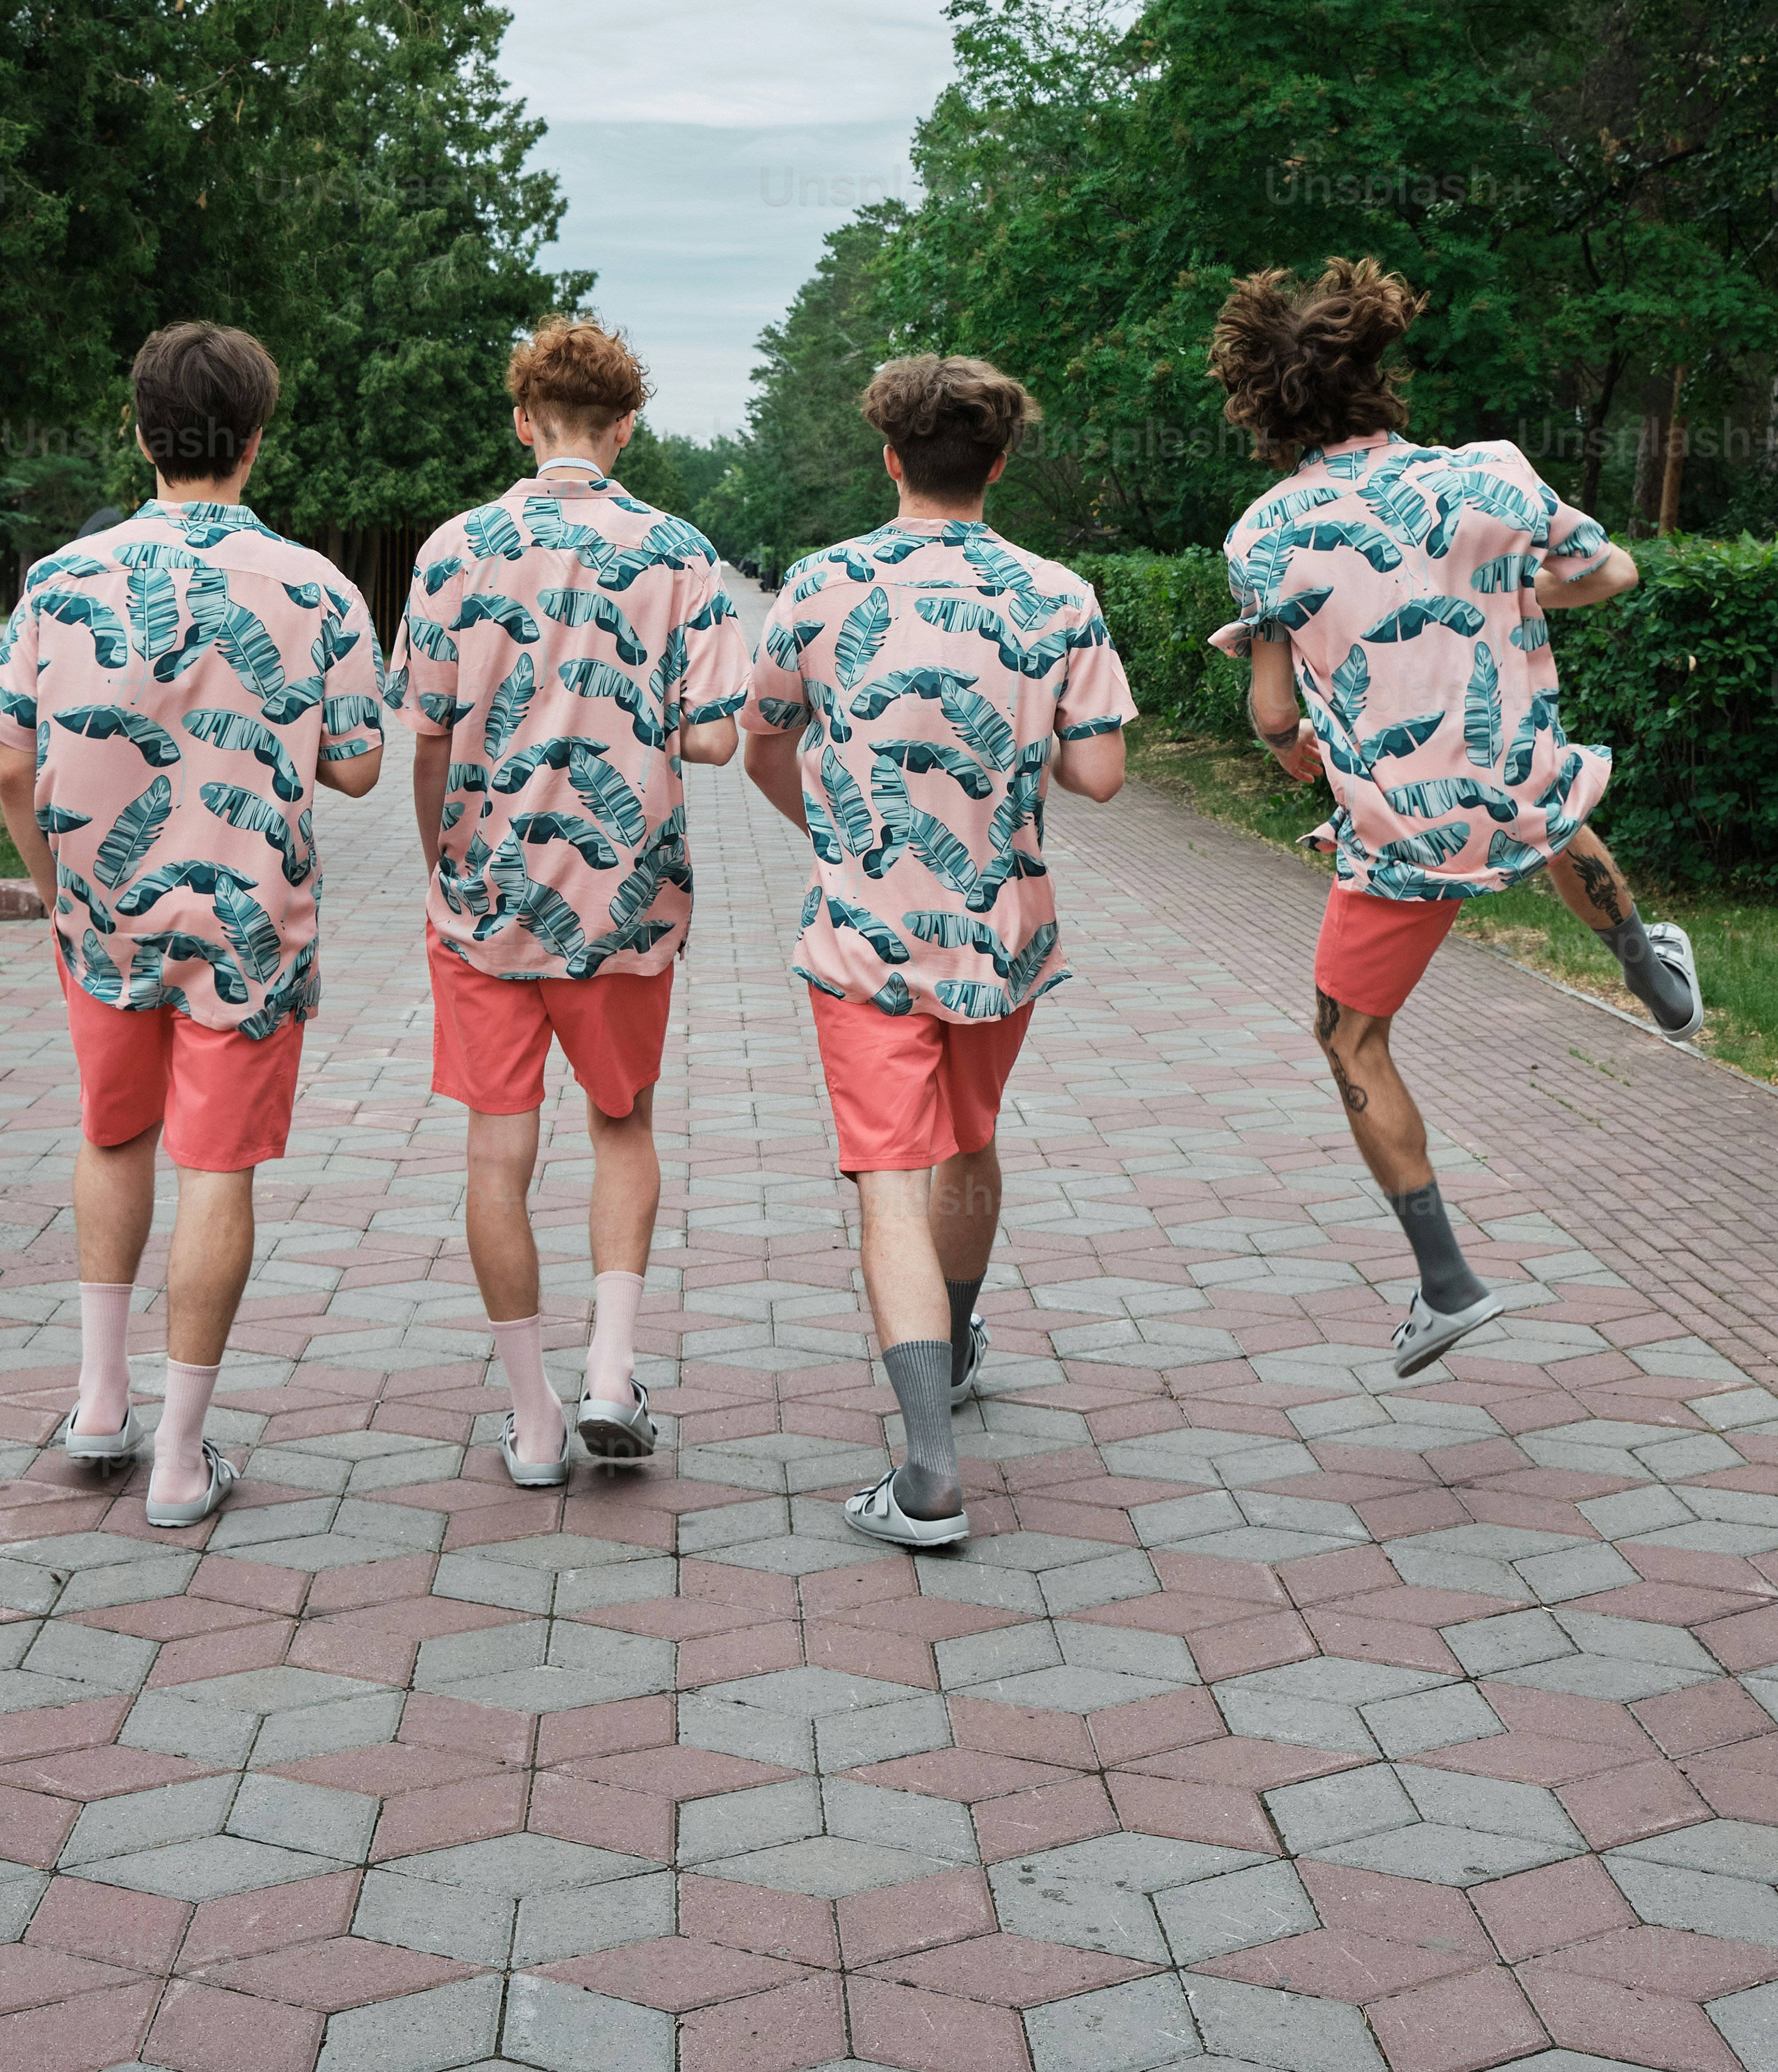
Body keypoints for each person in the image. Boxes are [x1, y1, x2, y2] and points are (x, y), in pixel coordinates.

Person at [1207, 258, 1701, 1378]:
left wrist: (1289, 752)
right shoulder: (1491, 473)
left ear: (1266, 403)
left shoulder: (1263, 535)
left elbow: (1274, 713)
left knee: (1349, 1040)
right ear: (1378, 373)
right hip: (1519, 791)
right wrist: (1512, 593)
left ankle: (1446, 1282)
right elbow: (1610, 574)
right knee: (1548, 808)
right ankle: (1653, 977)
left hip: (1400, 835)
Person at [0, 321, 386, 1523]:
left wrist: (56, 891)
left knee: (113, 1138)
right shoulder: (317, 587)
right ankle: (178, 1458)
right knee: (218, 1168)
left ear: (140, 431)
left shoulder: (61, 579)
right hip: (248, 925)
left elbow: (11, 763)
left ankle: (98, 1404)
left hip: (102, 916)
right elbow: (358, 766)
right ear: (255, 439)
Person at [741, 354, 1137, 1551]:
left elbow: (762, 744)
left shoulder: (820, 583)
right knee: (968, 1140)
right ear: (998, 465)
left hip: (865, 937)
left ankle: (926, 1476)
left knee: (888, 1178)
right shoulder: (1058, 594)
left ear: (890, 459)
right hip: (1001, 934)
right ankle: (955, 1347)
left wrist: (838, 840)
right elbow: (1100, 774)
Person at [389, 317, 749, 1487]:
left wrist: (442, 864)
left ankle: (535, 1421)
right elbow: (714, 739)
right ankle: (610, 1370)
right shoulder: (681, 552)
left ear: (521, 421)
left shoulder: (454, 549)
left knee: (498, 1152)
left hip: (485, 902)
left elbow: (426, 740)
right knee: (622, 1127)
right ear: (625, 426)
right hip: (624, 902)